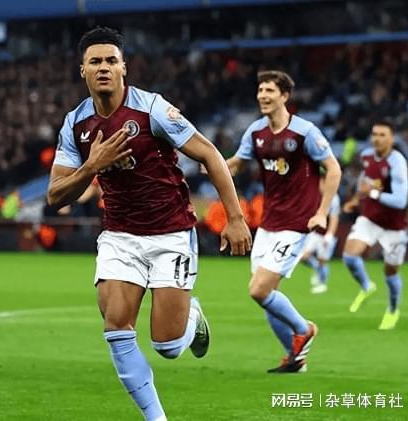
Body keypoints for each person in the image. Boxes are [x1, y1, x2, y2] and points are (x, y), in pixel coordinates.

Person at [47, 27, 252, 421]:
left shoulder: (152, 109)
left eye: (111, 61)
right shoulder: (75, 124)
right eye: (95, 62)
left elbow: (209, 154)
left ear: (124, 67)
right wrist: (92, 166)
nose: (104, 67)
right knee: (116, 328)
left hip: (170, 233)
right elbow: (56, 196)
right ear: (82, 70)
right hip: (119, 236)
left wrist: (235, 217)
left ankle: (192, 317)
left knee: (168, 346)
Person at [226, 70, 341, 373]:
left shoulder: (305, 132)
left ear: (285, 96)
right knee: (266, 297)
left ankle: (305, 329)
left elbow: (333, 169)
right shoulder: (256, 132)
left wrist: (322, 212)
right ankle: (295, 359)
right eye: (260, 90)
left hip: (296, 223)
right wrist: (211, 163)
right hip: (268, 224)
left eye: (269, 91)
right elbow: (236, 163)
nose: (262, 96)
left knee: (259, 290)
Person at [341, 121, 408, 330]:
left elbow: (400, 201)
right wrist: (356, 199)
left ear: (392, 139)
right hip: (370, 219)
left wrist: (371, 193)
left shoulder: (397, 162)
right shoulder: (366, 156)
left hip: (394, 226)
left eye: (382, 135)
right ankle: (366, 286)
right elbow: (365, 179)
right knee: (349, 256)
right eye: (374, 134)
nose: (377, 139)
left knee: (390, 272)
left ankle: (392, 309)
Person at [300, 175, 341, 294]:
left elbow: (334, 219)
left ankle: (322, 284)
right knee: (303, 257)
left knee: (322, 261)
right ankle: (317, 269)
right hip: (315, 233)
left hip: (326, 234)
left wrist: (329, 235)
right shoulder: (315, 195)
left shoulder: (334, 198)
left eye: (322, 183)